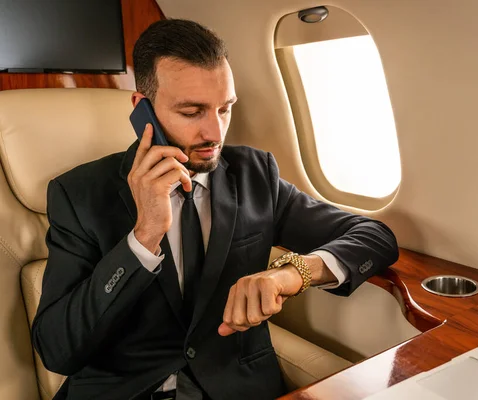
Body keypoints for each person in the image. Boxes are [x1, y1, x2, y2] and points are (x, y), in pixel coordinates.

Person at [31, 19, 399, 400]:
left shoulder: (256, 175)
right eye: (192, 112)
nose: (215, 133)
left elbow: (375, 237)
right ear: (144, 110)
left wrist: (289, 276)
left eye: (225, 109)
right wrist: (143, 237)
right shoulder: (78, 194)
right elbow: (58, 350)